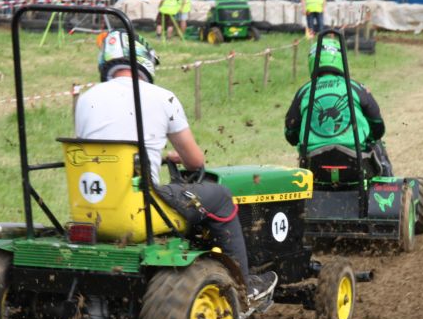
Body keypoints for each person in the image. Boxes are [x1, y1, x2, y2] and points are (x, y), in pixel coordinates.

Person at [75, 31, 278, 302]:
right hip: (139, 208)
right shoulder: (163, 98)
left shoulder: (86, 99)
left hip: (92, 208)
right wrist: (175, 155)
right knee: (221, 198)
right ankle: (244, 286)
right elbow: (195, 161)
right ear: (145, 61)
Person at [284, 34, 392, 176]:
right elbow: (378, 125)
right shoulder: (355, 88)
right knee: (377, 144)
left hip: (315, 165)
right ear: (341, 60)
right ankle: (386, 185)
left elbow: (290, 133)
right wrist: (370, 137)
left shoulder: (304, 91)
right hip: (356, 163)